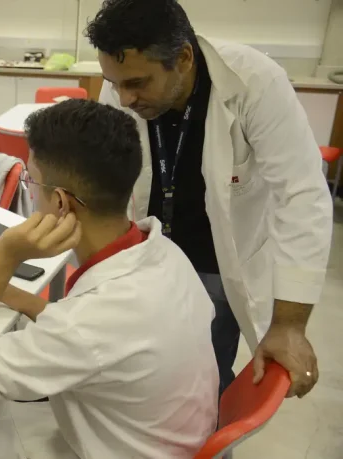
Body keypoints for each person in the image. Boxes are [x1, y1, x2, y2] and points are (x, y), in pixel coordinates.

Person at [0, 100, 218, 458]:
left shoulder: (88, 324)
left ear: (62, 203)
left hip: (116, 447)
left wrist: (2, 259)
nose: (31, 192)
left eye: (31, 181)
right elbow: (88, 331)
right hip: (160, 434)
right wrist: (5, 292)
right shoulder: (164, 253)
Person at [86, 0, 332, 397]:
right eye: (113, 83)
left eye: (136, 83)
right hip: (146, 256)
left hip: (217, 262)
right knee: (140, 374)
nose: (124, 99)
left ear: (183, 58)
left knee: (201, 380)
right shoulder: (124, 87)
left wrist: (289, 325)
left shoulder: (253, 82)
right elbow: (104, 173)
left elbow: (302, 195)